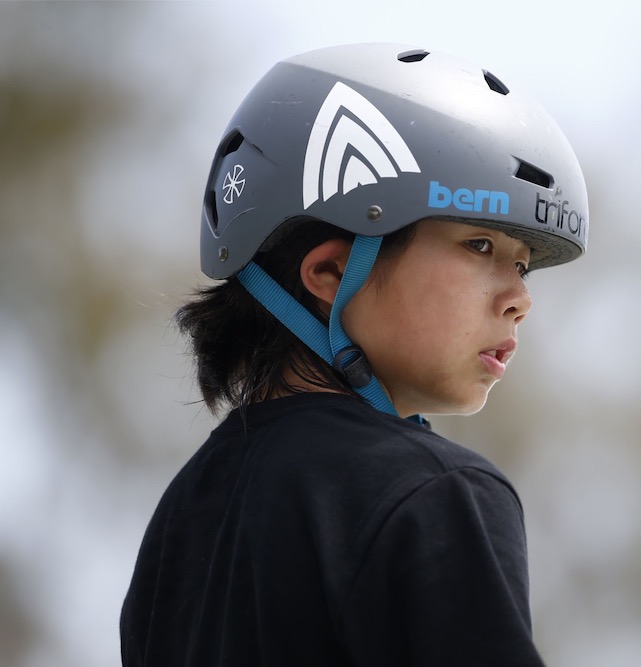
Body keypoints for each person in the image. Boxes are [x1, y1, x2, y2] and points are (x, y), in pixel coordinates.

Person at [120, 42, 588, 666]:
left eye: (524, 266)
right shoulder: (431, 492)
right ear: (333, 271)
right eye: (479, 244)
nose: (519, 298)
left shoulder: (180, 522)